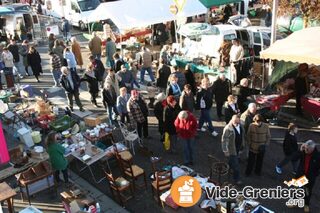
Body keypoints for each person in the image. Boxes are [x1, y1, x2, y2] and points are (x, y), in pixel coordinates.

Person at [295, 140, 320, 213]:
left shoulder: (317, 156)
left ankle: (306, 204)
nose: (306, 150)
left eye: (307, 149)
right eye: (305, 148)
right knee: (297, 189)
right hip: (301, 176)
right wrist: (300, 150)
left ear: (312, 149)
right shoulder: (303, 151)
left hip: (310, 177)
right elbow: (294, 158)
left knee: (308, 191)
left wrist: (315, 175)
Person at [221, 115, 245, 185]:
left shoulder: (241, 126)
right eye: (234, 121)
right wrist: (225, 150)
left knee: (232, 161)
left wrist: (243, 144)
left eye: (237, 122)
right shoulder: (228, 128)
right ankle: (237, 179)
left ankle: (228, 168)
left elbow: (242, 136)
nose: (235, 123)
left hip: (238, 148)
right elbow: (224, 140)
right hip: (232, 150)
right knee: (236, 165)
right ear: (232, 120)